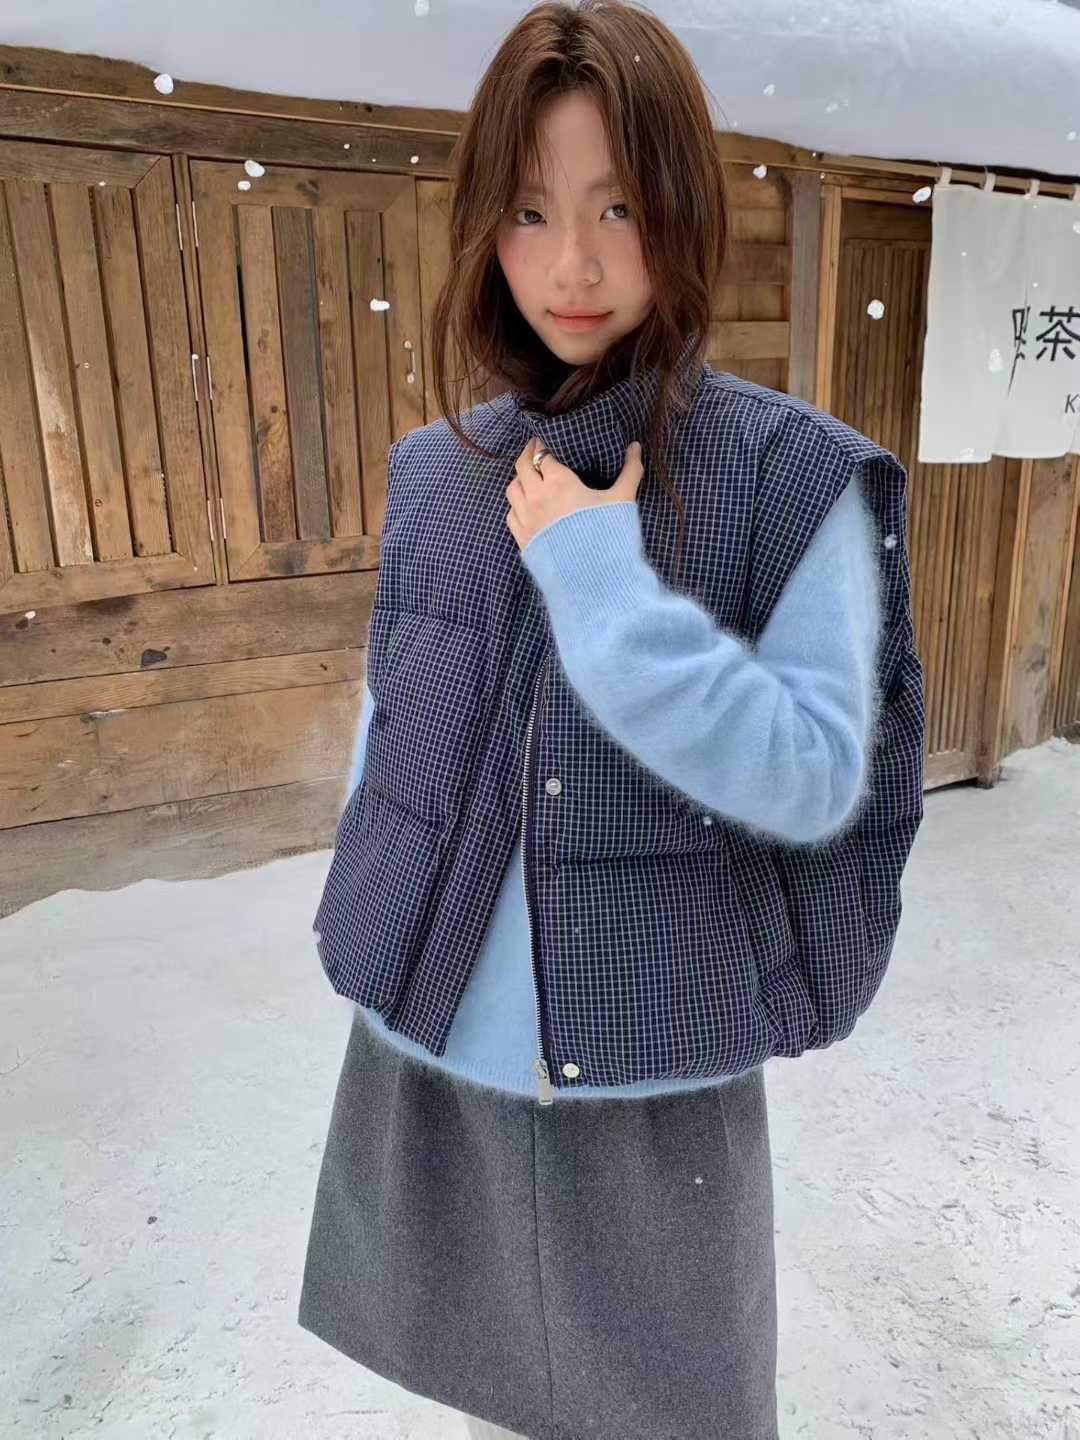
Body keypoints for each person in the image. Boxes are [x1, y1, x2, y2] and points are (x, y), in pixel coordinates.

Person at [298, 4, 926, 1438]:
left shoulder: (788, 475)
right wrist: (380, 906)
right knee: (479, 1396)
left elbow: (817, 776)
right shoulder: (441, 467)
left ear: (685, 211)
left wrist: (602, 587)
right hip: (441, 1038)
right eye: (530, 211)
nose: (572, 264)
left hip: (658, 1067)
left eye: (619, 207)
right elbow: (395, 722)